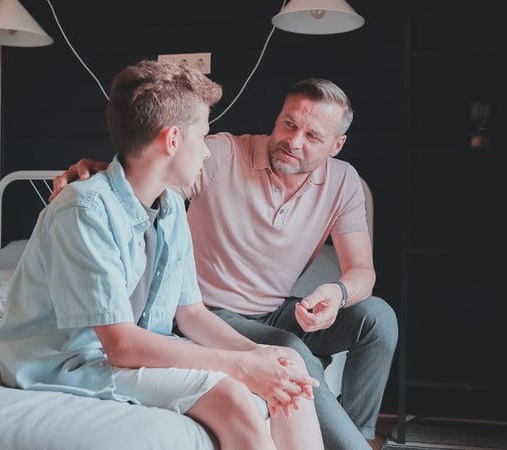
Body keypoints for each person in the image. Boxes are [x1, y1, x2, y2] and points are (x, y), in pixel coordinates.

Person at [0, 59, 323, 450]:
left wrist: (259, 356)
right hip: (69, 360)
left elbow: (192, 314)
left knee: (288, 362)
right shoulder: (84, 209)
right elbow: (121, 345)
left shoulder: (171, 206)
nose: (207, 152)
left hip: (132, 350)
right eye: (203, 136)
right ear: (173, 140)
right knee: (232, 397)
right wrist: (241, 366)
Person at [52, 78, 399, 450]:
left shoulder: (344, 182)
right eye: (288, 124)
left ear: (336, 145)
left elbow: (362, 271)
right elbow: (151, 181)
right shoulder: (219, 154)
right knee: (292, 352)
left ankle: (359, 434)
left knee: (377, 319)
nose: (294, 141)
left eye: (313, 136)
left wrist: (338, 292)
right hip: (210, 311)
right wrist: (106, 173)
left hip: (276, 310)